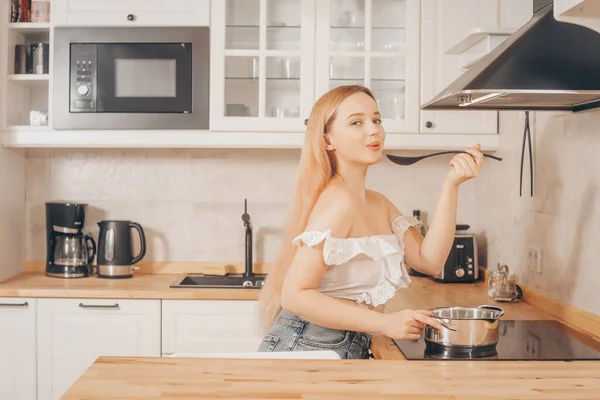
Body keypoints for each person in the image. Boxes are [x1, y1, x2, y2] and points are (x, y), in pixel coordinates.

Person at [256, 85, 485, 359]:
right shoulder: (340, 202)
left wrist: (452, 185)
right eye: (357, 122)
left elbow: (429, 261)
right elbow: (294, 295)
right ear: (328, 140)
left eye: (376, 120)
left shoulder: (377, 202)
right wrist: (384, 323)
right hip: (306, 347)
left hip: (342, 345)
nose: (373, 130)